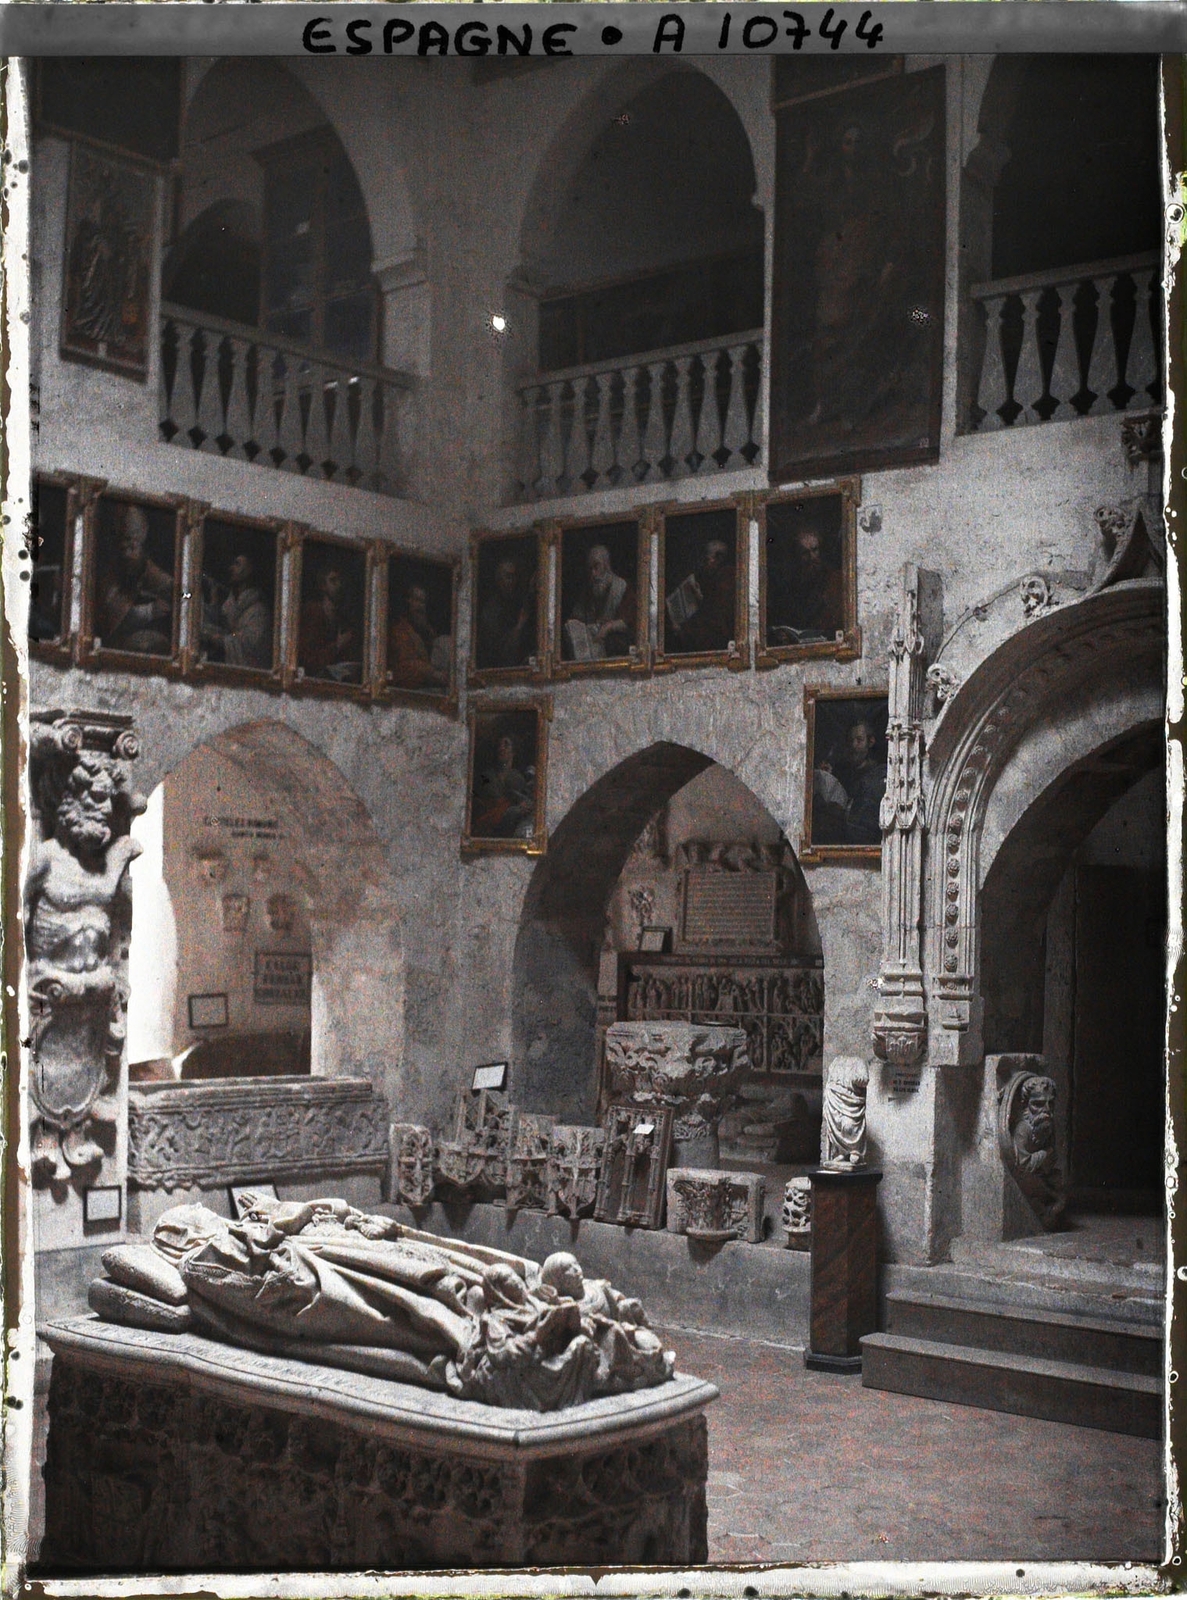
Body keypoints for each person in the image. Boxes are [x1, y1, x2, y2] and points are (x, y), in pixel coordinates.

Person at [95, 503, 173, 654]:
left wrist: (183, 596)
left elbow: (183, 595)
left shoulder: (155, 575)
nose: (128, 554)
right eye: (124, 547)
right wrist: (148, 611)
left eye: (132, 547)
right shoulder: (109, 576)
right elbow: (107, 617)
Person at [768, 518, 844, 644]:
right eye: (805, 553)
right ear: (797, 557)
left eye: (815, 550)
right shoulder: (792, 587)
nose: (811, 558)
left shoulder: (835, 580)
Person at [201, 549, 272, 670]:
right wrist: (214, 601)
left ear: (250, 569)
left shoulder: (259, 611)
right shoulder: (231, 603)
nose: (231, 568)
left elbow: (251, 643)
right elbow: (223, 625)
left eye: (237, 564)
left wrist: (222, 640)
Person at [567, 543, 636, 660]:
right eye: (590, 569)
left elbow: (631, 620)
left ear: (606, 565)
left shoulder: (622, 587)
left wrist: (608, 627)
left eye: (596, 567)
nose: (593, 574)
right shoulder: (588, 593)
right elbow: (576, 619)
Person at [667, 539, 735, 655]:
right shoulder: (708, 578)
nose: (705, 564)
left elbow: (717, 616)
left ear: (717, 558)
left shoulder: (727, 577)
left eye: (707, 559)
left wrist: (682, 630)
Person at [476, 554, 535, 671]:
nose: (513, 581)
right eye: (508, 577)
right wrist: (519, 627)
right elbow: (499, 653)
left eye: (514, 577)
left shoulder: (514, 601)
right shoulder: (491, 610)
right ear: (499, 580)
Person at [299, 563, 358, 681]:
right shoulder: (313, 612)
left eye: (341, 580)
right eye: (333, 580)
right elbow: (308, 660)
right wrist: (337, 646)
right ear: (323, 586)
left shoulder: (342, 619)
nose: (339, 585)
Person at [834, 717, 886, 845]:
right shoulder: (840, 772)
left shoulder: (879, 774)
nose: (853, 745)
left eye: (859, 740)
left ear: (871, 742)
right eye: (851, 740)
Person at [472, 733, 534, 839]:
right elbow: (486, 803)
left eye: (506, 745)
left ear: (513, 751)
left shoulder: (517, 778)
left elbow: (525, 802)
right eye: (499, 745)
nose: (501, 748)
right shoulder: (486, 776)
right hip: (487, 826)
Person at [388, 582, 449, 690]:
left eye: (423, 602)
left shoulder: (428, 631)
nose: (420, 606)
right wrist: (433, 673)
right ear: (408, 601)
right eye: (417, 600)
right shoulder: (398, 630)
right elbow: (404, 665)